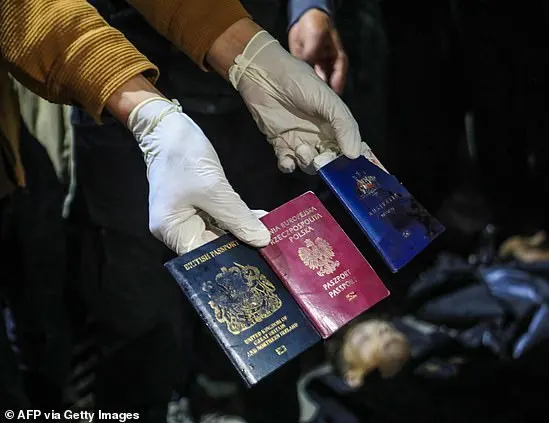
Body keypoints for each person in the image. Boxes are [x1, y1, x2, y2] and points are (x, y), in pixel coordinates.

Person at [0, 0, 362, 420]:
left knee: (271, 303)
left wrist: (249, 50)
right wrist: (147, 111)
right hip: (119, 108)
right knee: (137, 321)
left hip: (232, 105)